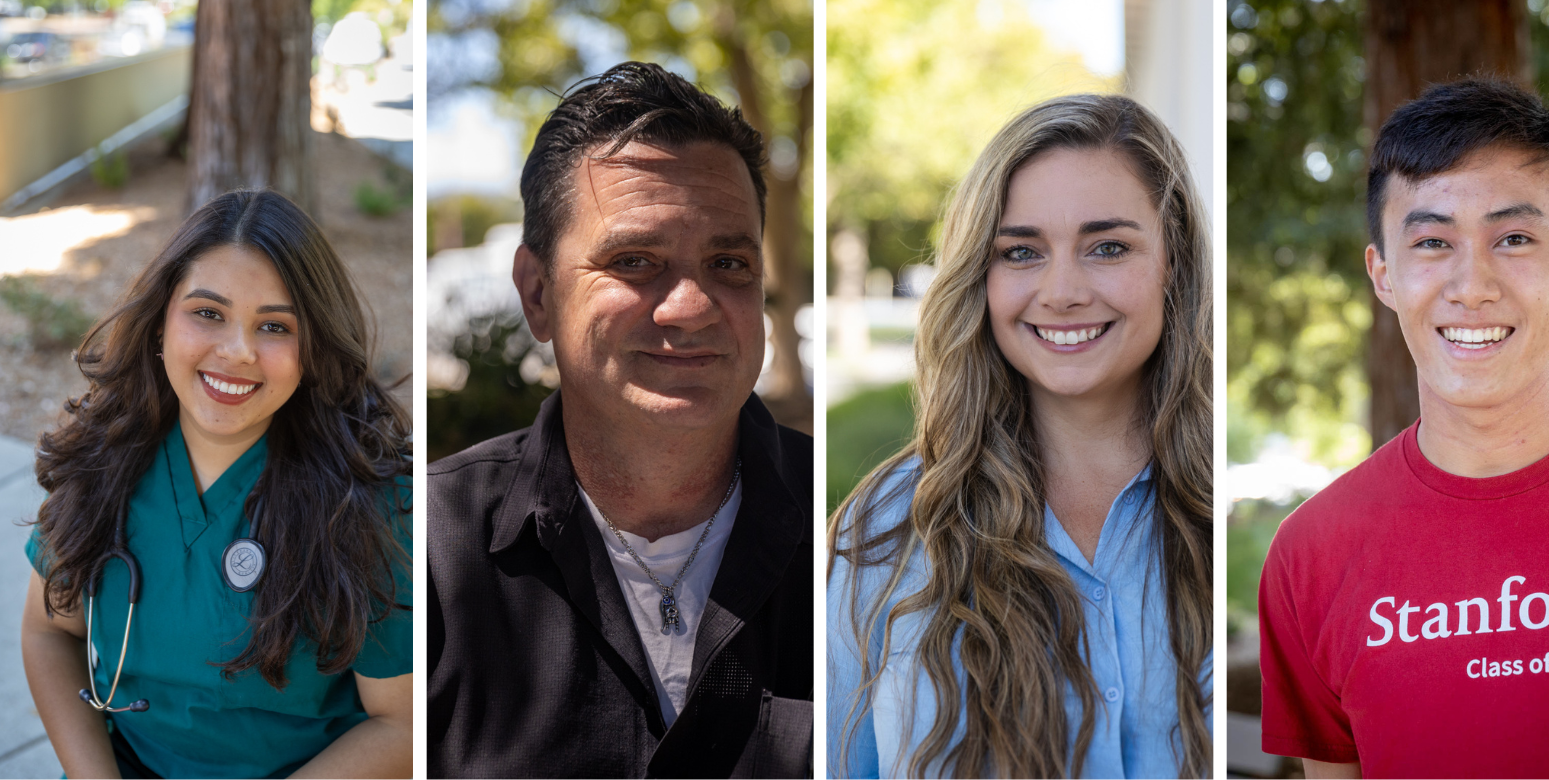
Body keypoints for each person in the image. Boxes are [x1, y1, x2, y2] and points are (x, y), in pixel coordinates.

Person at [428, 62, 811, 778]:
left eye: (729, 263)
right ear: (538, 295)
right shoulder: (429, 551)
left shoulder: (856, 535)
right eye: (635, 261)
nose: (691, 307)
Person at [1259, 77, 1549, 778]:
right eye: (1432, 242)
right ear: (1383, 275)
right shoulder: (1310, 552)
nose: (1472, 286)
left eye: (1515, 237)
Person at [828, 94, 1213, 778]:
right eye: (1022, 252)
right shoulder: (885, 531)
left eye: (1108, 247)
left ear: (1173, 264)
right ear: (982, 273)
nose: (1061, 291)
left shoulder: (1233, 519)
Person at [19, 190, 412, 779]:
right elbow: (50, 633)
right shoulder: (99, 461)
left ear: (314, 349)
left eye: (274, 326)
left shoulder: (373, 505)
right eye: (208, 312)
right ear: (159, 323)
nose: (237, 352)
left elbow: (403, 724)